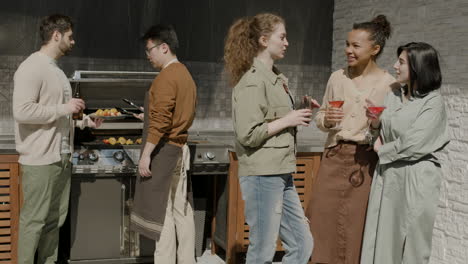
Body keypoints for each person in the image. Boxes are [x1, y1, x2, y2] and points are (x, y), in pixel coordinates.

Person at [225, 13, 318, 264]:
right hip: (262, 175)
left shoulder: (275, 79)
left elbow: (273, 116)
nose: (287, 42)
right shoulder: (253, 81)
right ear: (264, 40)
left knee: (302, 243)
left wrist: (300, 108)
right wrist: (289, 120)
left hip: (281, 171)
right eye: (282, 37)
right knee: (262, 251)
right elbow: (248, 134)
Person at [305, 15, 397, 264]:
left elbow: (394, 130)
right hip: (334, 157)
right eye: (347, 44)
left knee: (356, 225)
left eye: (356, 46)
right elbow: (321, 117)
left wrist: (378, 123)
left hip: (365, 163)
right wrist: (327, 119)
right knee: (321, 221)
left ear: (375, 49)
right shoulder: (338, 78)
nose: (348, 50)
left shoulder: (390, 85)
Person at [13, 14, 102, 264]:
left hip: (61, 156)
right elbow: (22, 111)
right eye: (70, 36)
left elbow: (59, 114)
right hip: (40, 160)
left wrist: (84, 121)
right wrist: (65, 108)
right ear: (56, 35)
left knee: (54, 222)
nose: (73, 42)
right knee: (34, 222)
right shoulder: (32, 67)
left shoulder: (57, 71)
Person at [360, 42, 449, 264]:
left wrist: (384, 148)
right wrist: (374, 124)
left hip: (417, 177)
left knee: (411, 244)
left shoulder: (433, 102)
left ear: (418, 66)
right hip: (387, 175)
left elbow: (415, 142)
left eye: (401, 62)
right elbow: (376, 135)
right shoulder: (392, 94)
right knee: (380, 237)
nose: (394, 66)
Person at [130, 24, 197, 264]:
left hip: (165, 151)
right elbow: (172, 112)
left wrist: (146, 154)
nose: (148, 56)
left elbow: (161, 122)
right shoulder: (185, 74)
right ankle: (188, 260)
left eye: (150, 50)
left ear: (164, 47)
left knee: (161, 212)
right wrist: (146, 114)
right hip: (180, 148)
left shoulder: (166, 77)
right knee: (182, 209)